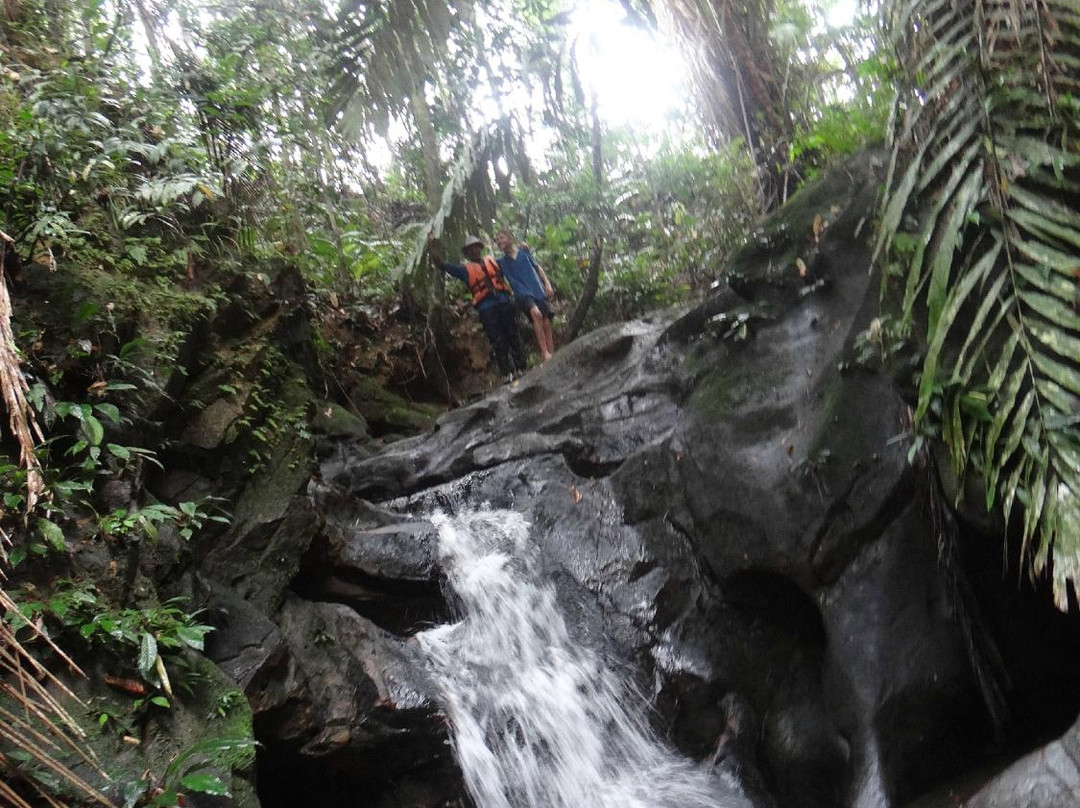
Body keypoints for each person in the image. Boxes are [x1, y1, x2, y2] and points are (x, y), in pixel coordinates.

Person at [427, 232, 527, 381]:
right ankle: (508, 372)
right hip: (487, 308)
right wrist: (431, 246)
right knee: (497, 340)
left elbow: (512, 259)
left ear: (480, 248)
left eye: (475, 248)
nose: (473, 251)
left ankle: (522, 367)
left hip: (504, 302)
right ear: (466, 253)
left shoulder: (493, 261)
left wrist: (523, 249)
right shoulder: (464, 270)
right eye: (470, 249)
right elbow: (441, 264)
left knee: (513, 334)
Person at [495, 229, 555, 363]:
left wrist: (547, 283)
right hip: (522, 294)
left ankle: (551, 353)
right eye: (497, 240)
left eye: (501, 238)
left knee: (545, 321)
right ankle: (544, 353)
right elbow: (488, 268)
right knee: (536, 315)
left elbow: (537, 267)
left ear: (510, 237)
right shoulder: (501, 262)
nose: (499, 241)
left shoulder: (524, 252)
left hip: (537, 289)